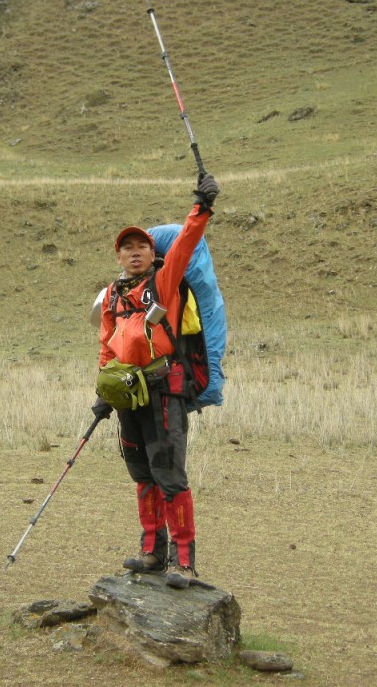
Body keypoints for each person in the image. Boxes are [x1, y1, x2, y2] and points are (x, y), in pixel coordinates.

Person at [92, 170, 220, 589]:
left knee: (169, 474)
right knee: (141, 472)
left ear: (151, 253)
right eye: (126, 248)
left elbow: (184, 245)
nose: (134, 253)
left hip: (166, 390)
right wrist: (103, 393)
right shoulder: (111, 296)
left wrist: (200, 207)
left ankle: (184, 563)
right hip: (128, 395)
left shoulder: (163, 283)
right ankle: (152, 553)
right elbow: (107, 346)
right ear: (118, 257)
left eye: (141, 246)